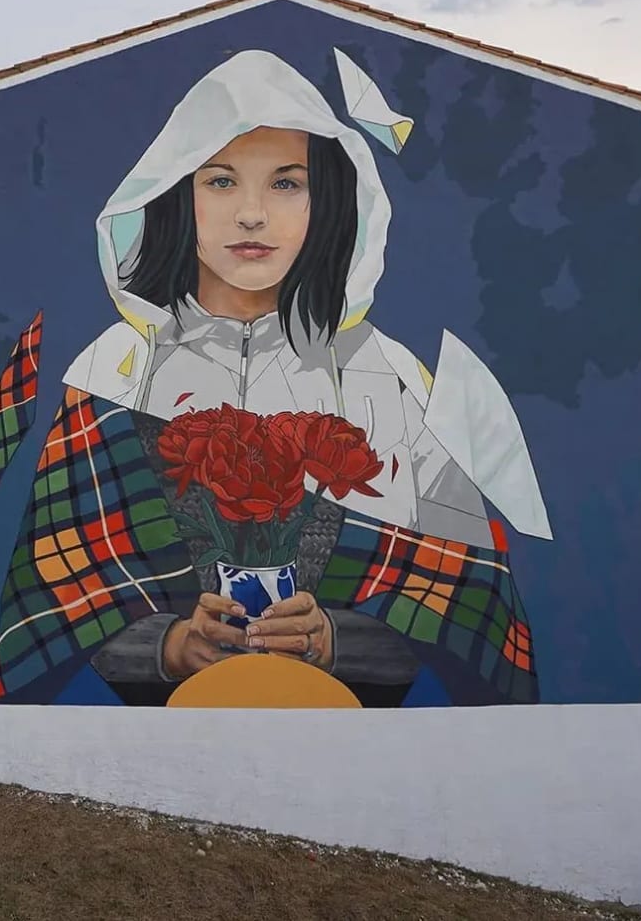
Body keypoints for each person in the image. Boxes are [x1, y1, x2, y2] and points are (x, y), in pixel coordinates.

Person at [50, 49, 552, 699]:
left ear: (332, 200)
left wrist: (335, 640)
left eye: (286, 182)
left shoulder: (390, 378)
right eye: (221, 181)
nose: (252, 214)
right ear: (176, 194)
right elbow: (60, 603)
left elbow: (473, 607)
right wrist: (171, 646)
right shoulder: (111, 373)